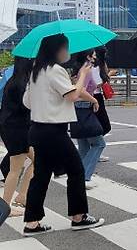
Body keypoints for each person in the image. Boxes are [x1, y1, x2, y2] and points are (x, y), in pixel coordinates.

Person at [22, 34, 104, 236]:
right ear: (56, 50)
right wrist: (83, 75)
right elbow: (73, 95)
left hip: (38, 129)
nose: (67, 52)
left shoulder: (36, 71)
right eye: (65, 48)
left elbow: (27, 102)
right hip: (54, 131)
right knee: (76, 170)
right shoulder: (56, 70)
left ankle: (32, 222)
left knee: (40, 176)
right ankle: (79, 217)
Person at [0, 57, 34, 217]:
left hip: (12, 127)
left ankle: (23, 195)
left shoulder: (13, 81)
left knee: (39, 161)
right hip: (18, 128)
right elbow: (29, 105)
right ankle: (6, 206)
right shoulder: (23, 83)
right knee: (15, 168)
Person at [71, 50, 106, 189]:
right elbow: (81, 90)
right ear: (88, 56)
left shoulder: (81, 69)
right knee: (99, 143)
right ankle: (84, 176)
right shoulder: (86, 69)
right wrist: (94, 100)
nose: (95, 57)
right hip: (84, 107)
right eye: (93, 54)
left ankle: (77, 175)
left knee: (84, 145)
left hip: (78, 108)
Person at [93, 47, 113, 162]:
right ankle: (95, 148)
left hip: (97, 97)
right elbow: (97, 83)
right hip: (95, 97)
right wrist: (109, 74)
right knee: (104, 125)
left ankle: (94, 148)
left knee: (100, 126)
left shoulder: (99, 64)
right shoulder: (95, 65)